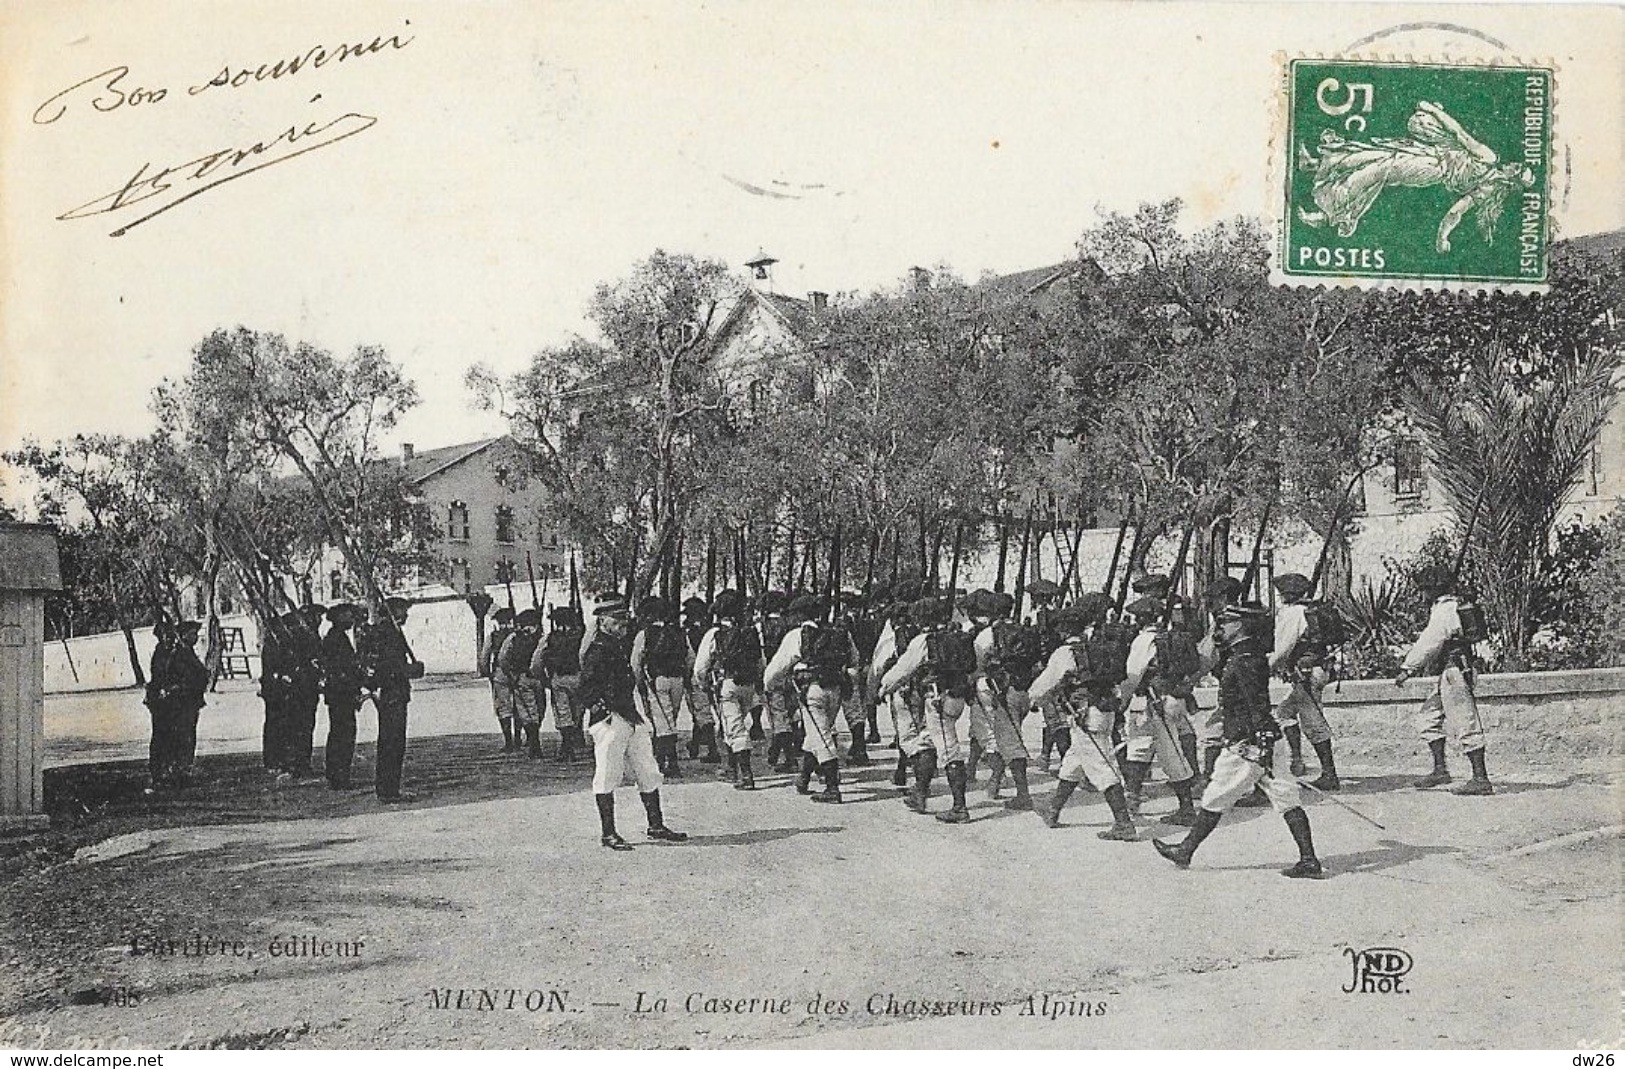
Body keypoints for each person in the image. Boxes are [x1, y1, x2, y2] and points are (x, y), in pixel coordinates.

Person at [1153, 594, 1324, 878]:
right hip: (1264, 739)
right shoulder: (1247, 656)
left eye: (1227, 621)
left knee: (1216, 795)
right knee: (1286, 798)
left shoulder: (1243, 660)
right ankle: (1309, 860)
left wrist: (1257, 738)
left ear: (1241, 625)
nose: (1222, 626)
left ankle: (1185, 850)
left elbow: (1255, 703)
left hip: (1248, 743)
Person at [579, 598, 687, 850]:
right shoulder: (597, 651)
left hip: (630, 716)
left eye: (623, 621)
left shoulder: (616, 646)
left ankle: (656, 824)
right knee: (607, 774)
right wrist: (603, 713)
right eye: (616, 621)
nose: (621, 626)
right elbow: (585, 690)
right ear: (603, 622)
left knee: (648, 769)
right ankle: (608, 833)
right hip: (610, 721)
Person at [1027, 596, 1138, 839]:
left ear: (1064, 629)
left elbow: (1043, 686)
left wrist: (1033, 700)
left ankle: (1123, 823)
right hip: (1103, 710)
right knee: (1074, 762)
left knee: (1102, 767)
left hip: (1085, 715)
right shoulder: (1096, 648)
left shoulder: (1065, 652)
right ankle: (1054, 809)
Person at [880, 596, 979, 823]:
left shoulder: (925, 640)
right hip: (957, 696)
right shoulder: (961, 637)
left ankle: (960, 808)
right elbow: (972, 668)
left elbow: (903, 670)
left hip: (938, 700)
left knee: (948, 749)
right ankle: (920, 793)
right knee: (926, 741)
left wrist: (883, 688)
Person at [1396, 566, 1494, 795]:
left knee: (1465, 722)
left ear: (1432, 590)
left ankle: (1481, 778)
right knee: (1428, 718)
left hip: (1455, 671)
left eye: (1424, 590)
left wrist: (1407, 668)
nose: (1421, 595)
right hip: (1449, 671)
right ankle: (1440, 769)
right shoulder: (1450, 606)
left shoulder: (1445, 610)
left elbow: (1430, 642)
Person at [764, 594, 859, 803]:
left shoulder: (798, 635)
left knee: (821, 735)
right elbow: (854, 660)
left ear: (799, 615)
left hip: (811, 691)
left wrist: (769, 686)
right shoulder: (841, 633)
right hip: (835, 689)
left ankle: (832, 788)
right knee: (815, 734)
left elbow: (777, 668)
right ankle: (804, 778)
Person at [1117, 596, 1201, 825]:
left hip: (1153, 702)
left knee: (1168, 754)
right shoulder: (1170, 637)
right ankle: (1132, 799)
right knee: (1140, 747)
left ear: (1142, 618)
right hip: (1168, 700)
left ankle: (1186, 809)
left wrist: (1121, 702)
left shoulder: (1145, 640)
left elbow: (1133, 674)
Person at [970, 590, 1043, 808]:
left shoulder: (987, 636)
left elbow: (979, 665)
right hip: (1024, 691)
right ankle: (994, 783)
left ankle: (1023, 795)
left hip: (1000, 692)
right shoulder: (1026, 631)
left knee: (1009, 743)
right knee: (1007, 737)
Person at [1270, 572, 1341, 790]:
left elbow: (1283, 648)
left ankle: (1329, 774)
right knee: (1284, 714)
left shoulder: (1293, 613)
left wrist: (1269, 666)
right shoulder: (1310, 610)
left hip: (1306, 674)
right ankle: (1298, 761)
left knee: (1313, 722)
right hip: (1315, 670)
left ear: (1284, 594)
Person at [692, 589, 764, 789]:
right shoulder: (749, 632)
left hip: (727, 684)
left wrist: (703, 684)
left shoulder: (714, 634)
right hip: (747, 685)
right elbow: (761, 663)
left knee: (734, 728)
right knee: (735, 725)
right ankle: (731, 768)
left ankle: (746, 775)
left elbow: (700, 667)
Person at [358, 597, 424, 804]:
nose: (406, 615)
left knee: (392, 741)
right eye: (403, 611)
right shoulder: (387, 634)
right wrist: (411, 670)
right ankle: (388, 790)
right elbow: (389, 667)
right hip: (392, 693)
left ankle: (389, 788)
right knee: (392, 741)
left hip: (394, 693)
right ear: (393, 611)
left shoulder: (391, 632)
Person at [631, 596, 690, 777]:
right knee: (671, 718)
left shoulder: (645, 634)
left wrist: (640, 682)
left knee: (662, 722)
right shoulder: (680, 633)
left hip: (657, 681)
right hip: (678, 679)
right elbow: (690, 658)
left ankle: (668, 763)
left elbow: (636, 661)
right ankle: (667, 761)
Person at [320, 603, 364, 789]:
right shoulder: (335, 639)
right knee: (343, 734)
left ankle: (337, 774)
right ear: (338, 618)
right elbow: (340, 670)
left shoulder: (337, 637)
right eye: (348, 615)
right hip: (341, 693)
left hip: (340, 692)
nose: (351, 618)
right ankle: (338, 776)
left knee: (340, 733)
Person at [281, 604, 327, 780]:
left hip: (309, 688)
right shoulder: (299, 637)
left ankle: (302, 762)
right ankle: (296, 764)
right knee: (298, 726)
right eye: (316, 617)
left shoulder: (312, 636)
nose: (319, 620)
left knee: (306, 725)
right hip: (299, 688)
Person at [542, 605, 587, 761]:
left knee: (563, 712)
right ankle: (571, 744)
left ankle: (566, 747)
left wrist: (545, 678)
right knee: (576, 712)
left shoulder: (551, 637)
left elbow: (538, 659)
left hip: (559, 678)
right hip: (578, 677)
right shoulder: (581, 636)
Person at [681, 597, 722, 764]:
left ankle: (713, 749)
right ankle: (695, 744)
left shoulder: (689, 634)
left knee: (701, 713)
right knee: (702, 712)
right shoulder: (711, 631)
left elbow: (690, 660)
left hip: (697, 675)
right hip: (715, 674)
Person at [169, 620, 210, 787]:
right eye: (192, 634)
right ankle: (180, 769)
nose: (195, 637)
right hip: (182, 701)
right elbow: (182, 676)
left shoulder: (189, 652)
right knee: (183, 735)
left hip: (191, 701)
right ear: (183, 636)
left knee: (188, 734)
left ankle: (185, 768)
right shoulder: (179, 654)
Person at [501, 609, 547, 758]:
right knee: (539, 710)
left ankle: (534, 743)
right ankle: (534, 740)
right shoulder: (542, 638)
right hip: (538, 679)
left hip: (521, 678)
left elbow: (503, 658)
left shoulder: (513, 638)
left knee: (527, 712)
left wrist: (510, 675)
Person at [142, 621, 182, 792]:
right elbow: (158, 676)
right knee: (160, 735)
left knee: (172, 736)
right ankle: (158, 772)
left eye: (171, 636)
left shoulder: (173, 652)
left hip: (172, 698)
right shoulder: (161, 654)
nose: (170, 639)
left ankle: (169, 771)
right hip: (160, 699)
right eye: (166, 636)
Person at [484, 606, 519, 753]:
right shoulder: (518, 635)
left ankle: (508, 742)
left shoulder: (493, 636)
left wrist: (488, 674)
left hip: (500, 673)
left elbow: (484, 657)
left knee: (503, 707)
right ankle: (518, 738)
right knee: (519, 705)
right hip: (518, 673)